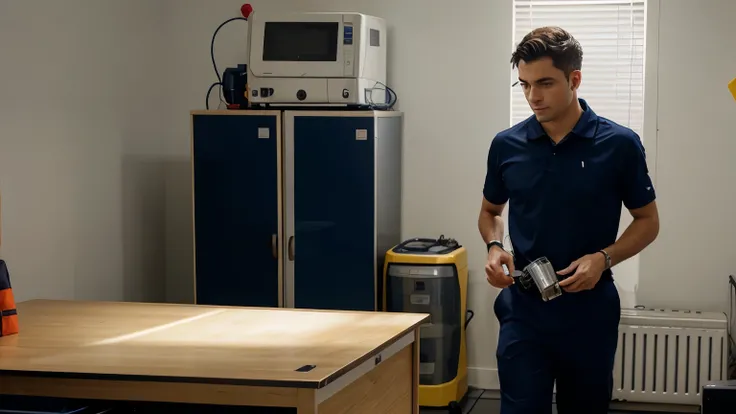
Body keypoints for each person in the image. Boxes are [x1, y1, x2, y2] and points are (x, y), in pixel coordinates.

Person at [478, 26, 660, 413]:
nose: (533, 96)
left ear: (574, 79)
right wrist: (495, 246)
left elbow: (648, 222)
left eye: (544, 83)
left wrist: (604, 258)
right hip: (524, 309)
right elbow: (490, 212)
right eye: (524, 85)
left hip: (589, 311)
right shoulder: (506, 145)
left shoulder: (619, 144)